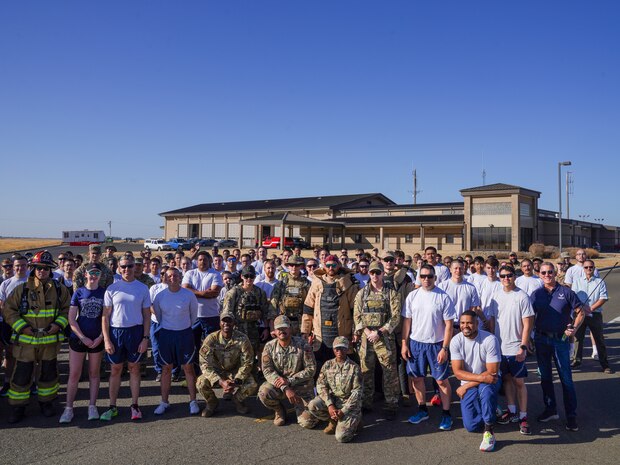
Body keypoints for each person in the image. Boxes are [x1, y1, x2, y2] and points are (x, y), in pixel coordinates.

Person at [2, 251, 71, 423]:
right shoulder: (21, 289)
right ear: (33, 268)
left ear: (50, 270)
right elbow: (9, 311)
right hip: (26, 343)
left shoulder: (59, 289)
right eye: (39, 268)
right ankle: (18, 407)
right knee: (21, 376)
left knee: (48, 375)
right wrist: (22, 327)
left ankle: (46, 404)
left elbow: (67, 310)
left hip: (49, 343)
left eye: (46, 268)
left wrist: (58, 325)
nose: (42, 271)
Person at [531, 262, 587, 431]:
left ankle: (571, 415)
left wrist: (574, 329)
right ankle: (550, 409)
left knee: (566, 380)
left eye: (550, 272)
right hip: (541, 340)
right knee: (546, 378)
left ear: (555, 273)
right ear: (539, 275)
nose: (547, 275)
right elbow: (529, 317)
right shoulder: (536, 294)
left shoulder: (567, 292)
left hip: (560, 341)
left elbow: (581, 312)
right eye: (544, 272)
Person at [401, 264, 456, 431]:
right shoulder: (412, 296)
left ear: (435, 277)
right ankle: (422, 409)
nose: (426, 279)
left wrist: (445, 348)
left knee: (441, 380)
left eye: (429, 276)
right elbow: (407, 321)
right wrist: (404, 343)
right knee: (417, 378)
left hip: (436, 344)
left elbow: (449, 326)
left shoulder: (443, 297)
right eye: (423, 276)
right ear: (419, 277)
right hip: (416, 344)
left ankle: (446, 414)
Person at [101, 254, 152, 421]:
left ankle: (135, 405)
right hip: (116, 332)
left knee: (134, 368)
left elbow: (146, 316)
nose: (127, 269)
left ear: (135, 267)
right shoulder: (112, 289)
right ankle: (112, 406)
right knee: (115, 369)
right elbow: (105, 317)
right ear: (118, 268)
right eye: (123, 266)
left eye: (130, 266)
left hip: (135, 332)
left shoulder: (142, 288)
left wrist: (145, 338)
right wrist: (107, 339)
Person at [352, 261, 400, 418]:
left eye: (377, 272)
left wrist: (379, 332)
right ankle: (366, 403)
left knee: (389, 371)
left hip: (384, 338)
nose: (374, 275)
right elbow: (357, 316)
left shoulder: (390, 293)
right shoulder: (362, 293)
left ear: (382, 274)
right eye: (372, 272)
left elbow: (395, 316)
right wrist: (366, 331)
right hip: (367, 339)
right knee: (366, 371)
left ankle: (391, 404)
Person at [59, 263, 106, 423]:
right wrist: (82, 337)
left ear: (100, 276)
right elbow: (71, 318)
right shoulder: (78, 292)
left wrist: (100, 337)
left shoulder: (104, 293)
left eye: (96, 273)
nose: (93, 276)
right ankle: (68, 408)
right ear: (85, 274)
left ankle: (92, 406)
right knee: (74, 374)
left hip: (96, 338)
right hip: (78, 338)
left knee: (94, 374)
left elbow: (106, 318)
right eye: (91, 273)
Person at [450, 311, 501, 452]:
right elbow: (458, 372)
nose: (465, 326)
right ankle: (490, 409)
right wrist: (478, 379)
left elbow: (492, 373)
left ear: (477, 324)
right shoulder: (456, 341)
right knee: (471, 426)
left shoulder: (490, 339)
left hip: (490, 380)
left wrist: (469, 384)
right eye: (462, 323)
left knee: (486, 391)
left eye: (469, 323)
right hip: (471, 381)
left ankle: (489, 431)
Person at [152, 267, 200, 415]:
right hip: (166, 335)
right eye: (169, 276)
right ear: (165, 277)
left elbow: (193, 316)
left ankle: (193, 401)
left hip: (185, 334)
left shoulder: (189, 295)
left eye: (175, 275)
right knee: (166, 369)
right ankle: (164, 402)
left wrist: (182, 327)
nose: (172, 278)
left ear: (180, 277)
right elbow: (159, 317)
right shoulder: (159, 296)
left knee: (188, 368)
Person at [492, 265, 534, 435]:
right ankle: (511, 411)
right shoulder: (496, 296)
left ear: (514, 277)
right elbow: (493, 321)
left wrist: (523, 346)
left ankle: (523, 417)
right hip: (500, 348)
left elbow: (528, 324)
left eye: (509, 275)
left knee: (519, 382)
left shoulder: (522, 296)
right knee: (507, 380)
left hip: (516, 347)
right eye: (502, 276)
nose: (506, 278)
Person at [258, 315, 318, 428]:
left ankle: (299, 407)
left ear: (290, 328)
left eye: (285, 328)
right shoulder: (269, 347)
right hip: (280, 386)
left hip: (301, 386)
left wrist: (289, 381)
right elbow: (267, 370)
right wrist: (285, 387)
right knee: (263, 393)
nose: (282, 331)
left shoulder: (302, 344)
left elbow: (311, 369)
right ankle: (279, 410)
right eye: (279, 329)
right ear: (274, 331)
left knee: (309, 422)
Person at [302, 255, 358, 368]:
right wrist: (305, 331)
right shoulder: (316, 282)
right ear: (324, 267)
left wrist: (356, 332)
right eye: (328, 265)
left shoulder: (349, 283)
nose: (331, 268)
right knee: (319, 366)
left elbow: (356, 311)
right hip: (320, 335)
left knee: (343, 366)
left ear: (339, 266)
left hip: (342, 333)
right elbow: (308, 309)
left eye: (333, 265)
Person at [197, 311, 257, 417]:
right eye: (223, 321)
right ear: (219, 323)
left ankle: (238, 400)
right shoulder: (211, 339)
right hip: (217, 372)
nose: (226, 324)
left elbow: (247, 362)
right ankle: (212, 403)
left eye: (229, 321)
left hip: (235, 371)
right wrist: (220, 381)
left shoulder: (242, 339)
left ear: (234, 323)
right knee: (200, 383)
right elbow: (204, 363)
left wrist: (236, 380)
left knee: (252, 384)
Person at [308, 336, 363, 442]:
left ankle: (357, 420)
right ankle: (333, 421)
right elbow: (321, 385)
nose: (339, 351)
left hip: (348, 404)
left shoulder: (354, 368)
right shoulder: (327, 365)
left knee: (342, 437)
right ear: (333, 350)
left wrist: (343, 411)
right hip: (333, 401)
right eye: (337, 348)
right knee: (313, 405)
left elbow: (357, 392)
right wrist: (330, 405)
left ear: (347, 349)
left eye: (342, 348)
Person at [222, 265, 273, 357]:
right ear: (242, 277)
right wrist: (227, 331)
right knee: (237, 355)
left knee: (252, 355)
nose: (249, 279)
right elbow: (227, 312)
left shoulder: (260, 293)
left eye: (252, 276)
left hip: (254, 329)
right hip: (237, 330)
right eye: (246, 276)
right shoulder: (233, 293)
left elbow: (265, 312)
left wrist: (266, 328)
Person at [571, 260, 612, 373]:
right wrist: (581, 309)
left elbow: (603, 297)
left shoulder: (600, 282)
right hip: (580, 313)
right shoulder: (577, 281)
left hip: (595, 314)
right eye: (586, 267)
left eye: (591, 267)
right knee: (577, 338)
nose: (589, 269)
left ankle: (604, 364)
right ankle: (577, 360)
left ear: (594, 268)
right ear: (583, 269)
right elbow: (573, 297)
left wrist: (591, 308)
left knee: (599, 339)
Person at [182, 251, 224, 362]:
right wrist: (204, 293)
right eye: (200, 260)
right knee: (193, 345)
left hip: (211, 316)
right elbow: (185, 289)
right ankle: (196, 370)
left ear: (209, 261)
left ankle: (211, 370)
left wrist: (194, 292)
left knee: (211, 346)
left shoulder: (215, 274)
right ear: (196, 261)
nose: (202, 262)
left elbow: (214, 292)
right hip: (193, 317)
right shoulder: (190, 274)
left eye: (205, 260)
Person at [0, 255, 29, 397]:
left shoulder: (33, 282)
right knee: (10, 355)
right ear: (13, 266)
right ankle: (7, 382)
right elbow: (2, 305)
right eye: (17, 265)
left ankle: (32, 383)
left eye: (23, 265)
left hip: (29, 325)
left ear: (27, 266)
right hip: (10, 325)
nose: (20, 268)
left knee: (30, 356)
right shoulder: (6, 284)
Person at [270, 256, 311, 335]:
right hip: (283, 324)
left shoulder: (307, 284)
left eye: (297, 265)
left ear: (300, 266)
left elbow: (311, 305)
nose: (294, 267)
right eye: (291, 265)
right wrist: (272, 327)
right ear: (288, 266)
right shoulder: (281, 283)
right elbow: (273, 305)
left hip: (301, 324)